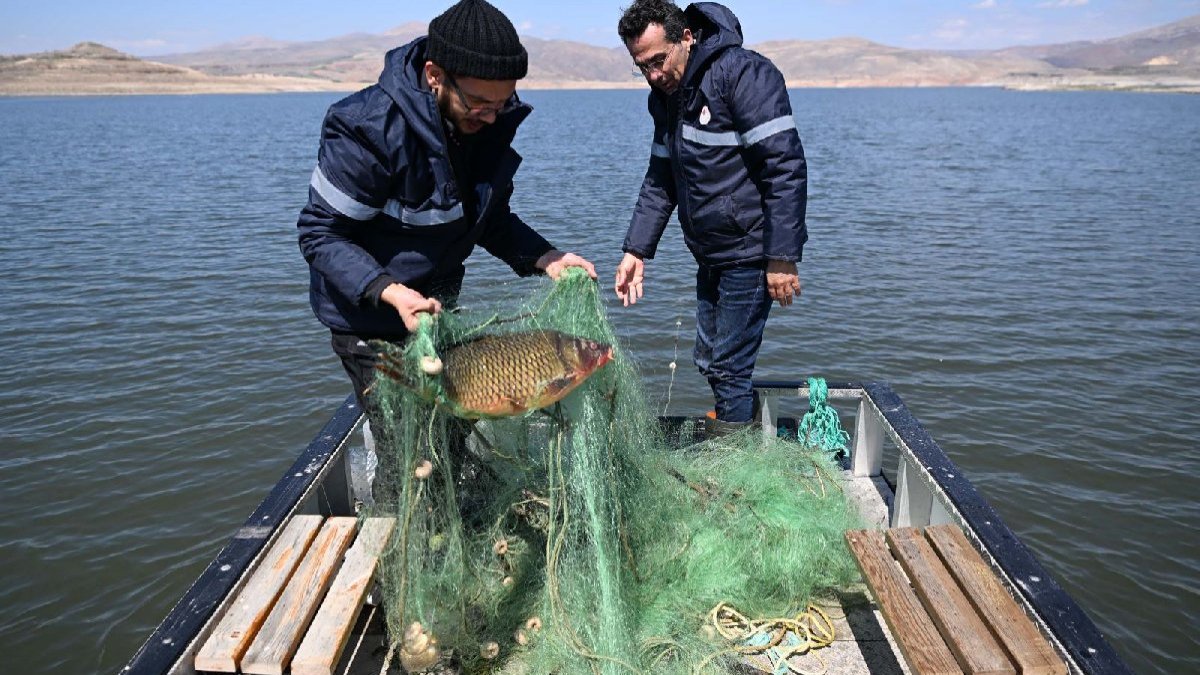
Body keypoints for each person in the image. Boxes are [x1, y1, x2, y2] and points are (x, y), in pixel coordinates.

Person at [297, 0, 596, 500]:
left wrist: (545, 257)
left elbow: (489, 219)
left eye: (502, 102)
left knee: (453, 433)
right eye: (479, 102)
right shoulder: (367, 129)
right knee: (411, 458)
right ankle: (401, 559)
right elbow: (321, 234)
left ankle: (451, 526)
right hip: (369, 315)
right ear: (435, 75)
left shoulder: (487, 126)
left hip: (436, 309)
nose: (491, 114)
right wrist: (390, 292)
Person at [613, 0, 807, 434]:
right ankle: (740, 424)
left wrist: (781, 256)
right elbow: (661, 177)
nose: (653, 75)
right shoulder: (664, 99)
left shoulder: (743, 75)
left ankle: (734, 465)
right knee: (709, 359)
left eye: (658, 61)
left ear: (686, 37)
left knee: (729, 365)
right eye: (641, 66)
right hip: (711, 252)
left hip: (751, 249)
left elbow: (785, 167)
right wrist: (636, 250)